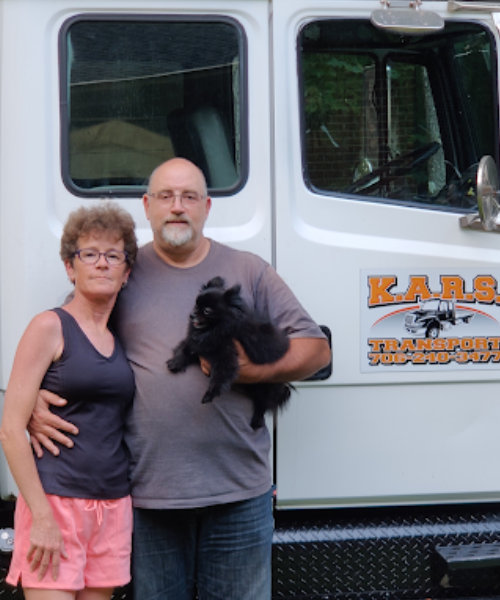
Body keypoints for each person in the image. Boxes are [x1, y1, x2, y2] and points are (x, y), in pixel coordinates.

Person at [29, 158, 331, 600]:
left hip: (239, 495)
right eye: (166, 197)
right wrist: (38, 396)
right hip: (148, 496)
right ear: (147, 207)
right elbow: (68, 340)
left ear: (207, 207)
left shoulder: (249, 271)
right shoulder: (120, 274)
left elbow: (314, 350)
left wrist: (247, 370)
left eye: (189, 196)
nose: (177, 207)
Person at [0, 204, 138, 600]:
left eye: (113, 256)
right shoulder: (49, 327)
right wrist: (40, 515)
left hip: (112, 505)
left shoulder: (119, 340)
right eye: (89, 254)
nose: (101, 263)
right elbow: (11, 430)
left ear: (126, 273)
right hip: (55, 503)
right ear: (69, 266)